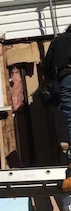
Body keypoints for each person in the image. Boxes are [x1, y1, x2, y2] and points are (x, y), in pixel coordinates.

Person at [43, 25, 71, 160]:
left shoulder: (58, 41)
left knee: (70, 115)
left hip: (66, 78)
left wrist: (53, 79)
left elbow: (46, 65)